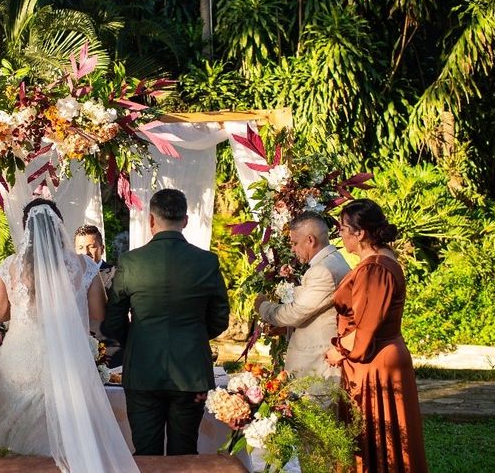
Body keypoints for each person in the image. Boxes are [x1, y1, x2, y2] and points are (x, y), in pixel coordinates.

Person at [0, 199, 138, 472]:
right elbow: (99, 314)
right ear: (59, 228)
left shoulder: (10, 266)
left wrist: (18, 311)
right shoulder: (83, 265)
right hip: (68, 356)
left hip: (21, 357)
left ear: (26, 229)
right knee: (70, 425)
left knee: (19, 426)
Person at [103, 189, 230, 456]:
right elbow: (220, 318)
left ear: (151, 220)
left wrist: (137, 342)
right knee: (184, 451)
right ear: (185, 220)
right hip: (191, 371)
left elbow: (113, 320)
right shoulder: (206, 262)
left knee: (146, 453)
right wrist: (194, 336)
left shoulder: (130, 261)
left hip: (143, 370)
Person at [324, 199, 428, 472]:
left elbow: (367, 326)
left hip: (374, 361)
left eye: (343, 228)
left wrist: (339, 350)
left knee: (377, 439)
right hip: (380, 355)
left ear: (359, 233)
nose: (340, 234)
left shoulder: (375, 268)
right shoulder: (380, 260)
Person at [253, 212, 350, 386]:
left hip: (316, 364)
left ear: (310, 240)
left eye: (295, 243)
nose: (292, 249)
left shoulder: (323, 270)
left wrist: (262, 306)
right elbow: (318, 314)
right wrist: (286, 329)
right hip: (316, 360)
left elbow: (295, 313)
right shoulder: (333, 260)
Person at [74, 224, 123, 368]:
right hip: (76, 351)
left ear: (102, 247)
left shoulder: (117, 274)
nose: (86, 252)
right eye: (81, 247)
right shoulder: (68, 277)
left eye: (91, 246)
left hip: (110, 350)